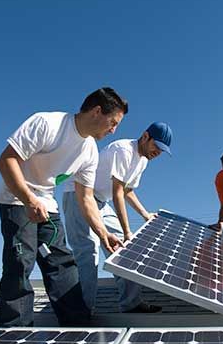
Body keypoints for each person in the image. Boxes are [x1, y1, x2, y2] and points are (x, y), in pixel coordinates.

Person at [0, 87, 127, 327]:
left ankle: (77, 326)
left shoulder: (89, 152)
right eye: (113, 122)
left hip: (46, 204)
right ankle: (14, 333)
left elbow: (85, 198)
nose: (113, 130)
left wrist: (104, 233)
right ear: (97, 111)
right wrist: (27, 199)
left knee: (61, 262)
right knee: (20, 261)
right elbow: (6, 160)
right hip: (16, 198)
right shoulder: (47, 123)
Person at [63, 122, 173, 313]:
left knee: (124, 248)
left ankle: (131, 303)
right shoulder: (123, 150)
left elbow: (128, 191)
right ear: (145, 136)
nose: (158, 153)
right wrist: (127, 230)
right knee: (88, 254)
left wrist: (145, 214)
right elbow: (118, 193)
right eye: (157, 146)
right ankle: (82, 313)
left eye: (162, 151)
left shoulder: (143, 161)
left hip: (100, 202)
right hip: (77, 196)